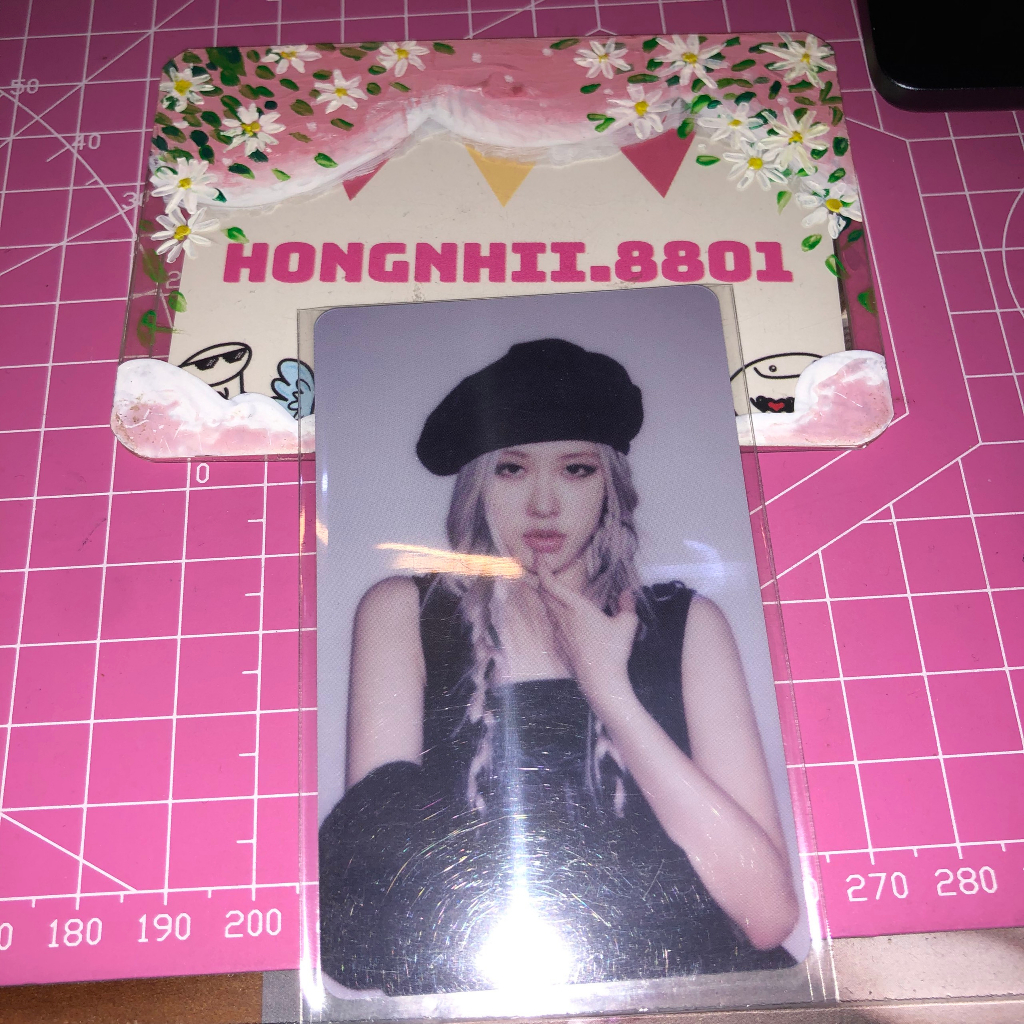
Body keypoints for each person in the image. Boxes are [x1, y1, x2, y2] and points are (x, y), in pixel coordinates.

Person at [318, 338, 800, 995]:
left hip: (701, 997)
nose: (544, 504)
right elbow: (380, 910)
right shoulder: (405, 614)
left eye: (576, 469)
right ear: (477, 483)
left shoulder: (688, 624)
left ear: (609, 483)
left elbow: (768, 916)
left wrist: (609, 690)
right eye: (511, 469)